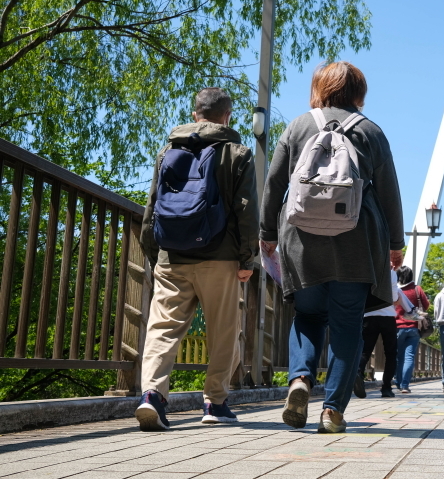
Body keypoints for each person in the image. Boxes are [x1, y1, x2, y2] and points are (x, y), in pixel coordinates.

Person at [260, 62, 404, 434]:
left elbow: (274, 184)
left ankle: (299, 380)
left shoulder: (298, 125)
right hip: (356, 239)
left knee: (307, 317)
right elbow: (389, 192)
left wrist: (267, 234)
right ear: (359, 94)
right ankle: (332, 411)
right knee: (347, 325)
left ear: (319, 88)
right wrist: (396, 244)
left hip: (301, 238)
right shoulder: (371, 131)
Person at [136, 87, 259, 431]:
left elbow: (151, 209)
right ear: (227, 116)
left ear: (196, 114)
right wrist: (247, 258)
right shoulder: (238, 153)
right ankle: (215, 403)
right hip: (219, 258)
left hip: (172, 256)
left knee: (162, 329)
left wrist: (156, 254)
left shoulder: (168, 151)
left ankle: (152, 397)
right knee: (223, 333)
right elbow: (247, 210)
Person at [354, 269, 403, 399]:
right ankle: (386, 388)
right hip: (387, 316)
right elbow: (393, 297)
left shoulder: (365, 269)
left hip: (368, 315)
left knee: (365, 351)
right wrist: (397, 298)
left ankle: (358, 374)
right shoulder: (389, 272)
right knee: (391, 353)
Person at [395, 265, 430, 393]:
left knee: (398, 357)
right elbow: (426, 305)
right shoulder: (417, 289)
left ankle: (398, 383)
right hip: (414, 327)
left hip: (397, 326)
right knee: (409, 357)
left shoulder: (395, 289)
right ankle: (405, 385)